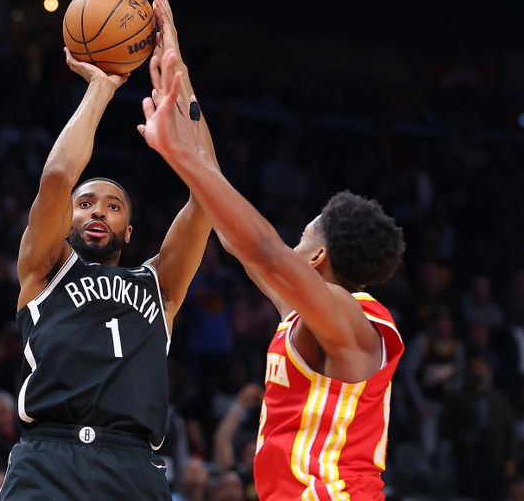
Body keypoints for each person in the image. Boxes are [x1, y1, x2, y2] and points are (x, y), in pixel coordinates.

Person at [138, 48, 406, 499]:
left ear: (318, 256)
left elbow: (264, 249)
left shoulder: (351, 318)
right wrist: (179, 74)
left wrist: (175, 154)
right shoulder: (306, 314)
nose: (292, 246)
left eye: (301, 238)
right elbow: (228, 220)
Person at [0, 0, 217, 501]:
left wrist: (176, 70)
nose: (98, 211)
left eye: (113, 206)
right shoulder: (45, 269)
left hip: (133, 464)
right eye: (87, 203)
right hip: (46, 457)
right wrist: (102, 86)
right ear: (68, 219)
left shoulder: (158, 284)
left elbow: (208, 192)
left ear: (130, 231)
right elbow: (56, 176)